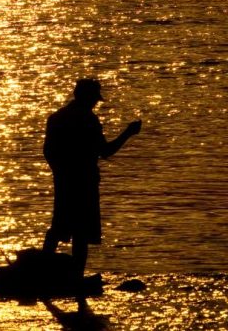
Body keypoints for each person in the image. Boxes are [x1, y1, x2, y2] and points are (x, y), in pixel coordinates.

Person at [42, 79, 141, 295]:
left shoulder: (57, 118)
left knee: (58, 226)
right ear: (87, 98)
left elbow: (48, 152)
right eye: (94, 100)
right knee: (81, 234)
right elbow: (105, 151)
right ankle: (76, 281)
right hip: (84, 183)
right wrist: (128, 133)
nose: (95, 105)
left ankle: (43, 275)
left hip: (63, 182)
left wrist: (60, 172)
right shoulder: (88, 120)